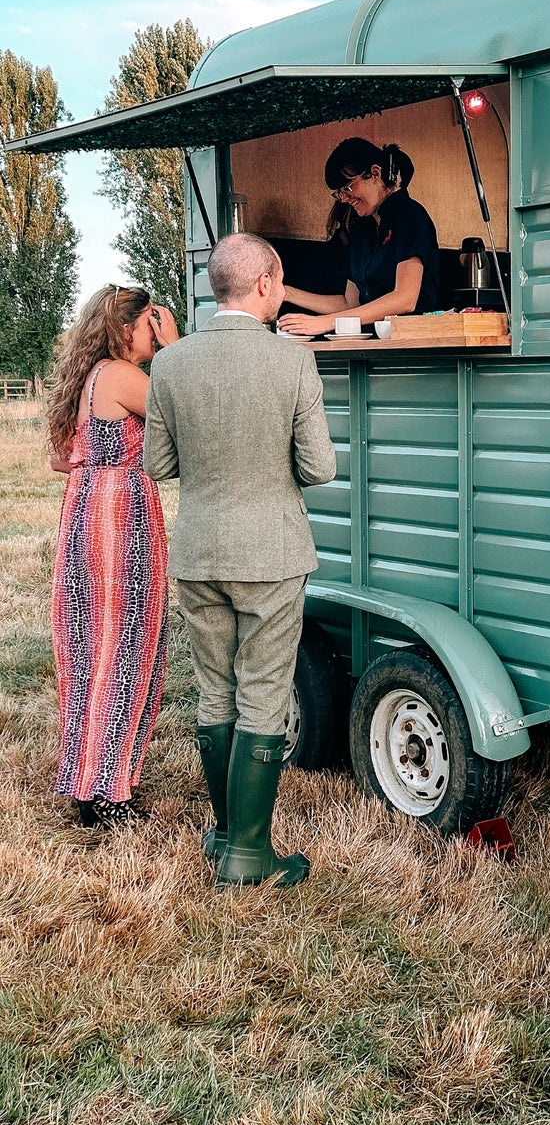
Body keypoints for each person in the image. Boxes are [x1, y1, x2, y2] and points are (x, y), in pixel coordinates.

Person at [144, 233, 337, 888]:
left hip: (199, 549)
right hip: (271, 552)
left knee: (215, 692)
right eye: (278, 283)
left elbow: (158, 465)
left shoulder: (169, 364)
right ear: (263, 286)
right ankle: (250, 857)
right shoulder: (293, 361)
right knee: (261, 695)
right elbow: (319, 467)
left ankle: (225, 834)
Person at [46, 285, 178, 828]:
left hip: (87, 517)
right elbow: (182, 411)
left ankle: (92, 781)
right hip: (120, 524)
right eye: (152, 322)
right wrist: (174, 350)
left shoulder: (92, 375)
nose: (157, 330)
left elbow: (62, 460)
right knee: (124, 651)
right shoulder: (121, 375)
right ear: (127, 329)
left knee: (90, 654)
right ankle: (108, 797)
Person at [278, 138, 439, 335]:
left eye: (348, 188)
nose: (345, 198)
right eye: (340, 193)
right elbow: (349, 304)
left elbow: (405, 299)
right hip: (374, 342)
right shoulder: (361, 229)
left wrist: (326, 322)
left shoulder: (410, 216)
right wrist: (287, 293)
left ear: (375, 174)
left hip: (415, 341)